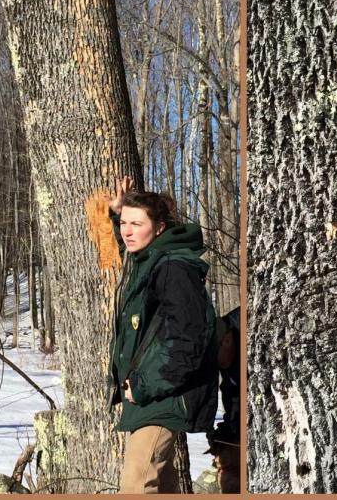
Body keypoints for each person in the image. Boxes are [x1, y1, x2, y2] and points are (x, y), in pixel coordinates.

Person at [105, 176, 218, 494]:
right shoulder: (150, 260)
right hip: (151, 395)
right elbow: (129, 247)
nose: (127, 231)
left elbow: (189, 339)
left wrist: (143, 387)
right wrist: (117, 214)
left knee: (136, 486)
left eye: (136, 223)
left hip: (164, 394)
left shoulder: (174, 269)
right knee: (161, 486)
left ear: (160, 228)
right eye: (125, 223)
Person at [207, 307, 240, 493]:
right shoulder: (227, 356)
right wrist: (228, 430)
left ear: (226, 341)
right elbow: (232, 396)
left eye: (215, 358)